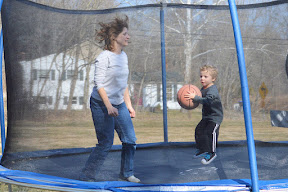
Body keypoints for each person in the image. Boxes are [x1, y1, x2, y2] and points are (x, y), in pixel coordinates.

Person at [79, 15, 140, 183]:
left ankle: (126, 174)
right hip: (100, 104)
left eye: (128, 34)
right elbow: (99, 84)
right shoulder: (104, 57)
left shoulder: (124, 56)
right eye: (125, 33)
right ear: (114, 37)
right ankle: (87, 177)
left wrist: (129, 106)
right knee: (105, 142)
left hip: (119, 104)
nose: (128, 36)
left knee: (130, 140)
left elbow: (123, 84)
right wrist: (108, 107)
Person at [184, 65, 223, 165]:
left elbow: (208, 101)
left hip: (215, 117)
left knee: (210, 132)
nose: (202, 78)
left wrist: (195, 98)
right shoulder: (203, 89)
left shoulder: (212, 90)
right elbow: (198, 98)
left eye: (206, 77)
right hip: (206, 117)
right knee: (199, 130)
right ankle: (201, 149)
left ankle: (212, 153)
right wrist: (191, 98)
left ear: (213, 79)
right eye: (201, 76)